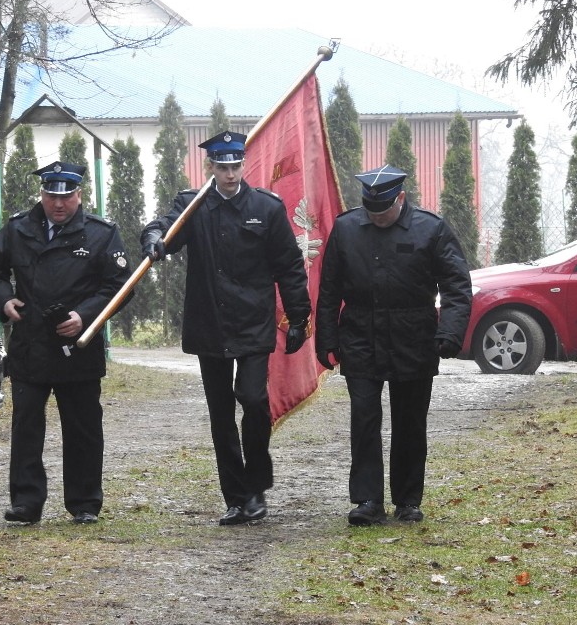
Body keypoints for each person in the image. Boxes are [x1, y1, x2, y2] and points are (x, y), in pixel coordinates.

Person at [140, 131, 311, 526]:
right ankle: (235, 497)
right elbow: (164, 228)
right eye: (223, 166)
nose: (231, 173)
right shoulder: (193, 206)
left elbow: (288, 265)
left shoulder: (266, 208)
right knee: (220, 413)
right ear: (211, 167)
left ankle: (256, 487)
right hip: (209, 324)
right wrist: (153, 238)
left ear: (243, 165)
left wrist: (299, 318)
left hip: (253, 321)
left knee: (252, 399)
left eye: (236, 165)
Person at [0, 161, 132, 525]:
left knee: (82, 427)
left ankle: (84, 503)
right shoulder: (19, 228)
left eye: (66, 196)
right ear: (42, 194)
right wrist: (4, 299)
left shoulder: (101, 234)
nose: (58, 204)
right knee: (27, 426)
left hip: (77, 344)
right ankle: (26, 503)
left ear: (79, 195)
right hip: (31, 341)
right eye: (51, 196)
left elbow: (120, 286)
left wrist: (86, 316)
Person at [315, 164, 472, 526]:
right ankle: (368, 499)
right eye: (372, 211)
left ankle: (407, 500)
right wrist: (326, 338)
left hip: (413, 335)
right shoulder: (346, 228)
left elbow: (457, 285)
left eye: (384, 211)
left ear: (400, 198)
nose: (378, 218)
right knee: (365, 418)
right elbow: (329, 290)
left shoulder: (431, 229)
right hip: (359, 334)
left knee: (410, 422)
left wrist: (450, 332)